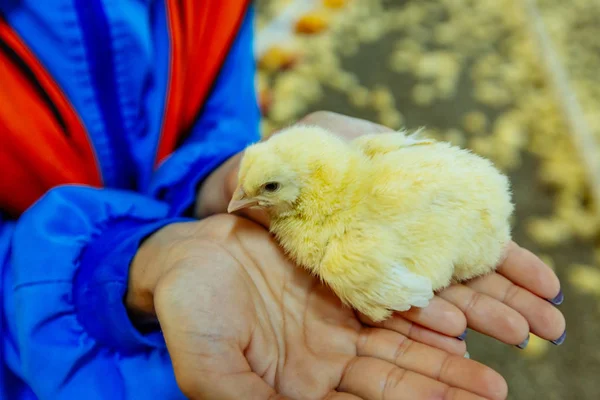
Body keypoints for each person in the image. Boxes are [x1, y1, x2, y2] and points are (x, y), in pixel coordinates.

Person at [0, 2, 566, 399]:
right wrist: (119, 271)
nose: (245, 200)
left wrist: (216, 178)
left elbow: (219, 119)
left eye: (265, 187)